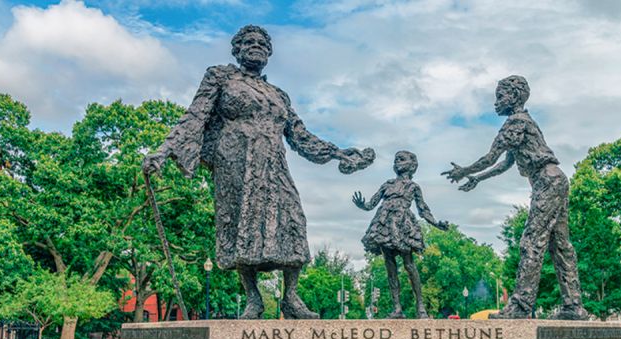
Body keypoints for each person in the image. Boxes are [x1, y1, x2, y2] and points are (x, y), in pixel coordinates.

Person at [143, 25, 374, 319]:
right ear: (237, 50)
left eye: (262, 43)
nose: (256, 46)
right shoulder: (220, 77)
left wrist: (338, 152)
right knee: (243, 226)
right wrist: (164, 151)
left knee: (293, 220)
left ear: (269, 53)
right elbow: (195, 116)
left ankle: (291, 296)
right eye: (249, 42)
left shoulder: (278, 95)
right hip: (235, 162)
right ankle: (253, 298)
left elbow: (300, 135)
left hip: (273, 164)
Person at [442, 75, 587, 320]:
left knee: (532, 242)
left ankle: (520, 306)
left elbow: (491, 157)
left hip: (547, 182)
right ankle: (573, 306)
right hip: (554, 179)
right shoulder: (525, 122)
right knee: (560, 245)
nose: (496, 102)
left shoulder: (516, 122)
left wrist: (464, 170)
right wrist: (478, 179)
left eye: (501, 96)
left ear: (515, 96)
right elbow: (505, 163)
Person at [353, 151, 448, 318]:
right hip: (384, 225)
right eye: (395, 160)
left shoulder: (413, 187)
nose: (397, 162)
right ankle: (397, 308)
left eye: (401, 160)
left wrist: (436, 224)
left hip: (403, 226)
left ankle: (420, 306)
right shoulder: (387, 185)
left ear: (412, 166)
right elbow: (371, 204)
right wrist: (362, 205)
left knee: (409, 265)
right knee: (390, 267)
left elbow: (423, 210)